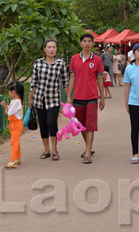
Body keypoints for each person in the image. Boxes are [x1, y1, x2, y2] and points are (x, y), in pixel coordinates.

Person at [67, 33, 105, 164]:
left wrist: (102, 97)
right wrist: (68, 97)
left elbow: (100, 79)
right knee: (81, 126)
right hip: (78, 96)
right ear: (80, 43)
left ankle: (87, 152)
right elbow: (72, 78)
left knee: (90, 126)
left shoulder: (97, 60)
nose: (87, 43)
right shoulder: (74, 59)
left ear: (93, 44)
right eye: (84, 41)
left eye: (89, 41)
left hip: (92, 97)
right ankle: (89, 146)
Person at [29, 39, 69, 161]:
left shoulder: (60, 63)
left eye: (54, 47)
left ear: (56, 49)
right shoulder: (38, 63)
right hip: (39, 98)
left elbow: (65, 82)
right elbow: (34, 82)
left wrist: (68, 98)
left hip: (54, 98)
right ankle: (46, 150)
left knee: (52, 122)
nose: (51, 49)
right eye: (49, 47)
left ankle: (55, 150)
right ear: (44, 49)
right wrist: (30, 97)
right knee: (43, 124)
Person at [0, 81, 25, 168]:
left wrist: (6, 109)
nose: (9, 93)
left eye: (9, 92)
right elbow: (9, 110)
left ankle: (12, 160)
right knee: (15, 142)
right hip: (13, 124)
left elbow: (9, 112)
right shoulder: (14, 100)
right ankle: (18, 158)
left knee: (13, 142)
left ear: (13, 92)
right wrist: (6, 107)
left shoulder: (16, 101)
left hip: (16, 124)